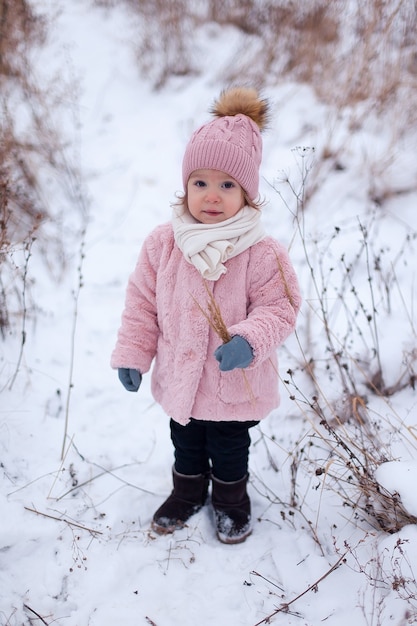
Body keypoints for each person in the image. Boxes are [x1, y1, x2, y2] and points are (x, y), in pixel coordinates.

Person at [111, 86, 301, 544]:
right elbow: (141, 303)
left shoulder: (261, 252)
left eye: (226, 185)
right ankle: (187, 492)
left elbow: (281, 307)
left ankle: (232, 502)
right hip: (181, 377)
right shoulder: (164, 243)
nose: (211, 196)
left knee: (230, 447)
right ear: (185, 185)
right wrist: (133, 354)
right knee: (187, 442)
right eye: (200, 182)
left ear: (248, 193)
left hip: (233, 382)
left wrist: (250, 339)